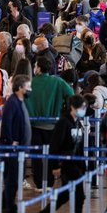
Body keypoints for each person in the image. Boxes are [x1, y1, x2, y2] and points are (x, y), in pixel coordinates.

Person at [33, 95, 88, 213]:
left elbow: (79, 145)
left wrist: (84, 165)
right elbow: (54, 146)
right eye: (81, 107)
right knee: (79, 194)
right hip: (66, 164)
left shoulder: (78, 122)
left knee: (64, 195)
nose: (83, 110)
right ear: (72, 107)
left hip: (76, 163)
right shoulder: (63, 123)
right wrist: (55, 166)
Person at [26, 56, 74, 190]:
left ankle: (39, 183)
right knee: (52, 154)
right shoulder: (58, 82)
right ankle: (49, 182)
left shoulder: (30, 83)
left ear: (38, 67)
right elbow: (71, 95)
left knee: (36, 155)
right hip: (54, 124)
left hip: (34, 124)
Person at [0, 75, 32, 213]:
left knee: (16, 178)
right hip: (13, 149)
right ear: (20, 88)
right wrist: (11, 142)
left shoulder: (19, 101)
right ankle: (8, 207)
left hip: (20, 148)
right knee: (13, 178)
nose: (30, 89)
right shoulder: (12, 102)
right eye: (28, 87)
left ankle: (4, 203)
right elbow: (6, 123)